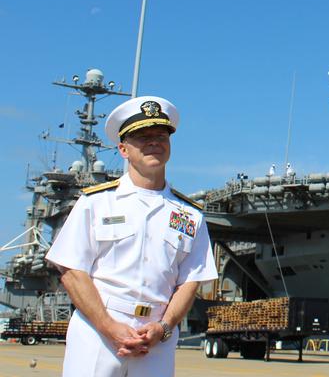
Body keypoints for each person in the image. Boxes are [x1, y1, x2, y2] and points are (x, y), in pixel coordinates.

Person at [46, 96, 217, 377]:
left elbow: (191, 280)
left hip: (157, 338)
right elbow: (71, 271)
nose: (154, 141)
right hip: (98, 332)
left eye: (161, 135)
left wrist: (163, 328)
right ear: (123, 149)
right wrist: (109, 327)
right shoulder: (95, 202)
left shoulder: (190, 214)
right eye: (143, 136)